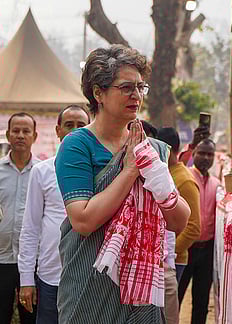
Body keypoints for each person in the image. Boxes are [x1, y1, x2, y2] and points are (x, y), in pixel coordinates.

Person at [54, 45, 190, 324]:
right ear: (98, 93)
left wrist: (155, 175)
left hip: (143, 288)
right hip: (90, 287)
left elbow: (179, 221)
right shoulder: (77, 145)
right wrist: (129, 170)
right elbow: (82, 220)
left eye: (141, 87)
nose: (137, 96)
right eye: (126, 87)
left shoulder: (153, 149)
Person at [17, 105, 90, 324]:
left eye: (81, 126)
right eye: (69, 125)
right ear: (58, 130)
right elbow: (30, 229)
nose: (74, 131)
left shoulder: (99, 172)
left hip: (88, 279)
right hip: (50, 278)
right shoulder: (42, 171)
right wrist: (27, 279)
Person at [0, 112, 39, 324]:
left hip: (33, 261)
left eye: (26, 131)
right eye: (16, 131)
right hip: (2, 258)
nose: (21, 135)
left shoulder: (43, 172)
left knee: (31, 317)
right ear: (7, 134)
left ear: (35, 135)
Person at [178, 139, 222, 324]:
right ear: (194, 154)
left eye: (210, 154)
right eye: (202, 153)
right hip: (185, 248)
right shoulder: (185, 177)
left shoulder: (217, 185)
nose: (205, 157)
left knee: (202, 300)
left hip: (207, 250)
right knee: (176, 297)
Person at [156, 127, 201, 282]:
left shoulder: (185, 180)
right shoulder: (165, 173)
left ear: (165, 148)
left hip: (174, 259)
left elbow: (194, 227)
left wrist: (167, 252)